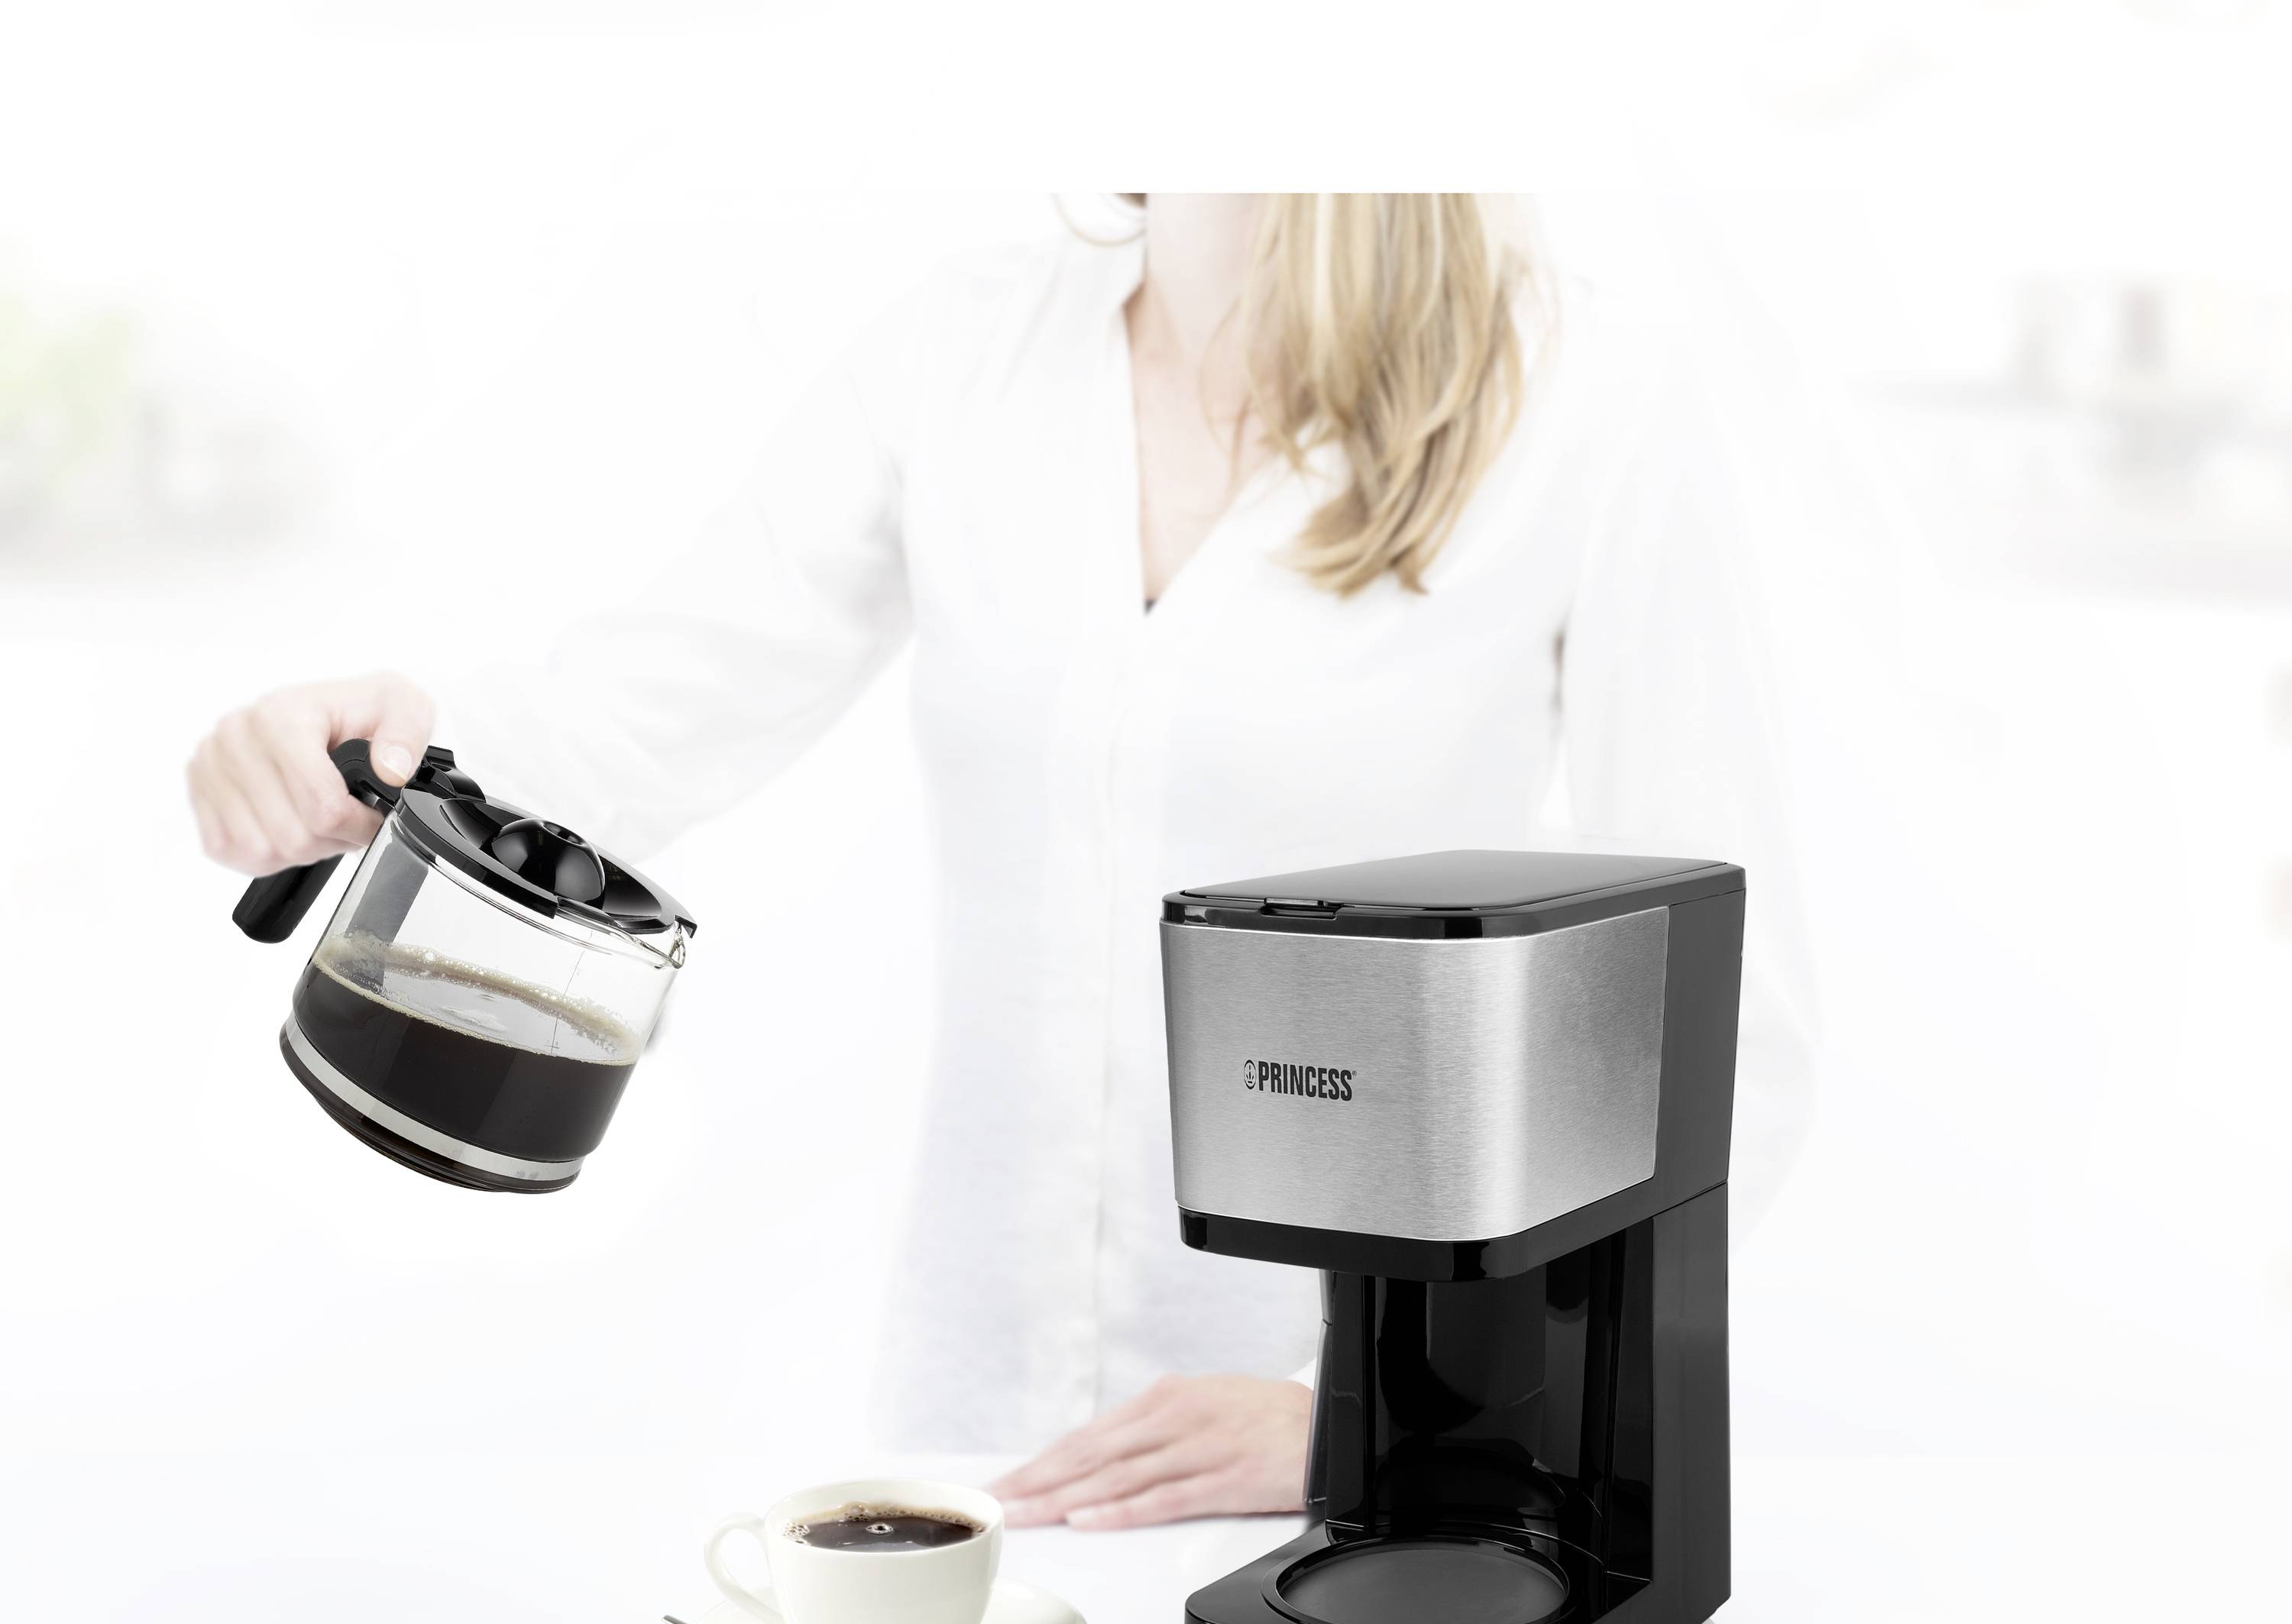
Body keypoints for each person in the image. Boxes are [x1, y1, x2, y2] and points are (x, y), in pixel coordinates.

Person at [185, 193, 1814, 1531]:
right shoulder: (966, 350)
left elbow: (1717, 1023)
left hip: (1366, 1491)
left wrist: (1386, 1410)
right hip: (970, 1453)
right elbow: (640, 715)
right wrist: (376, 748)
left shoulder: (1584, 396)